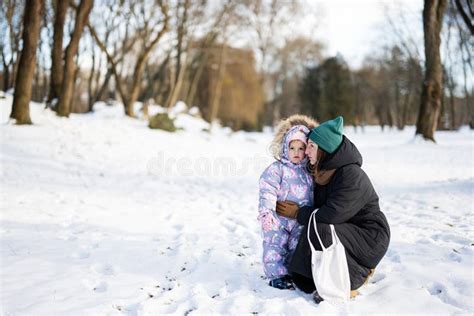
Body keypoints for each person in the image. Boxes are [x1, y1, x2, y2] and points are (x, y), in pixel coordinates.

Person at [276, 116, 390, 303]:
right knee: (315, 226)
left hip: (370, 237)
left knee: (321, 226)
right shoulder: (323, 170)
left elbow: (332, 214)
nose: (307, 151)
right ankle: (309, 277)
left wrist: (298, 212)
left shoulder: (351, 175)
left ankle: (351, 279)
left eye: (312, 146)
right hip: (345, 230)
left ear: (324, 149)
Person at [258, 115, 316, 290]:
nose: (296, 153)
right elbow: (267, 189)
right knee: (275, 245)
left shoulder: (310, 171)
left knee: (296, 246)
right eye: (292, 148)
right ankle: (276, 275)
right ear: (285, 148)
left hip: (299, 219)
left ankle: (290, 271)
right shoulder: (278, 169)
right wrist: (267, 212)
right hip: (278, 219)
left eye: (301, 148)